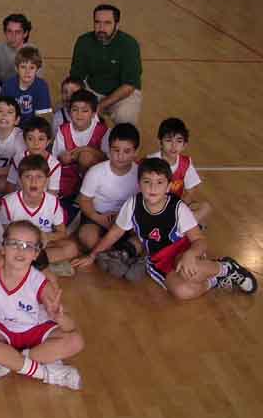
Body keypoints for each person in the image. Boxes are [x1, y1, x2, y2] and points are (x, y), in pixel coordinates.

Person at [73, 158, 258, 299]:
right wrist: (92, 255)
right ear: (139, 184)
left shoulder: (178, 207)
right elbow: (114, 233)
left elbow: (199, 240)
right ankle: (216, 279)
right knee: (182, 291)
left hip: (183, 251)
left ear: (168, 186)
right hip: (159, 259)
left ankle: (227, 268)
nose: (153, 187)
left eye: (159, 182)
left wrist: (190, 254)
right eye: (147, 182)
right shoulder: (133, 204)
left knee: (186, 271)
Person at [0, 220, 83, 390]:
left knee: (76, 341)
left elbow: (70, 327)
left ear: (36, 254)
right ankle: (47, 373)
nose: (20, 251)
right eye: (14, 244)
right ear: (3, 248)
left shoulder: (40, 282)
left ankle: (8, 361)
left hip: (32, 330)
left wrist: (59, 317)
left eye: (28, 246)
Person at [77, 124, 141, 274]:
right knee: (86, 236)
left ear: (136, 152)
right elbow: (84, 200)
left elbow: (142, 203)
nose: (121, 156)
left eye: (127, 151)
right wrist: (98, 218)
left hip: (126, 218)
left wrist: (123, 219)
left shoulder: (140, 174)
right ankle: (121, 255)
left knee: (143, 236)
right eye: (116, 150)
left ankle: (116, 255)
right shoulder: (96, 172)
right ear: (108, 149)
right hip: (97, 215)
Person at [0, 155, 78, 274]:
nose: (33, 182)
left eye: (39, 177)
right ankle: (37, 264)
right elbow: (2, 234)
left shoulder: (53, 202)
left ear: (46, 180)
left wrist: (46, 236)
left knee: (71, 248)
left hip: (42, 245)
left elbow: (62, 233)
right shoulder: (8, 202)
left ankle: (28, 264)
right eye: (28, 177)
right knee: (2, 250)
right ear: (20, 180)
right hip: (19, 245)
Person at [69, 4, 143, 126]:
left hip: (123, 94)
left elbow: (129, 85)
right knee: (68, 111)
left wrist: (100, 106)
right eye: (97, 22)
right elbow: (76, 78)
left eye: (107, 23)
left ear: (117, 25)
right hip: (92, 89)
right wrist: (75, 101)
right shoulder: (84, 41)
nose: (101, 28)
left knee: (125, 118)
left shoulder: (129, 45)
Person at [148, 118, 211, 226]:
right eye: (168, 140)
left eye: (179, 141)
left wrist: (177, 208)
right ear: (160, 142)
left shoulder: (185, 163)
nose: (174, 146)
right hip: (153, 206)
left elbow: (190, 192)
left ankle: (176, 226)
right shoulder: (150, 162)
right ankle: (182, 227)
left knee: (205, 207)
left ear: (184, 145)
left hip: (175, 205)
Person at [50, 89, 108, 201]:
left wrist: (85, 150)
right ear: (69, 111)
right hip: (70, 174)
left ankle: (85, 194)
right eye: (75, 110)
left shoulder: (103, 131)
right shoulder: (63, 130)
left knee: (86, 157)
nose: (79, 114)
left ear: (93, 114)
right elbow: (56, 158)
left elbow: (107, 159)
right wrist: (63, 158)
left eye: (85, 111)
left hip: (96, 176)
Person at [6, 117, 60, 195]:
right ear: (25, 140)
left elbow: (53, 192)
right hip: (20, 197)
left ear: (48, 141)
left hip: (42, 200)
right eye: (30, 139)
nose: (36, 143)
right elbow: (10, 184)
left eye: (41, 139)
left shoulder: (54, 165)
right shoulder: (18, 158)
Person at [1, 47, 52, 125]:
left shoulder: (41, 86)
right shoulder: (8, 85)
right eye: (23, 67)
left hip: (34, 128)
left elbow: (44, 117)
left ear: (37, 69)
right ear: (16, 68)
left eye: (32, 68)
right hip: (12, 127)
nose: (27, 71)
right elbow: (3, 113)